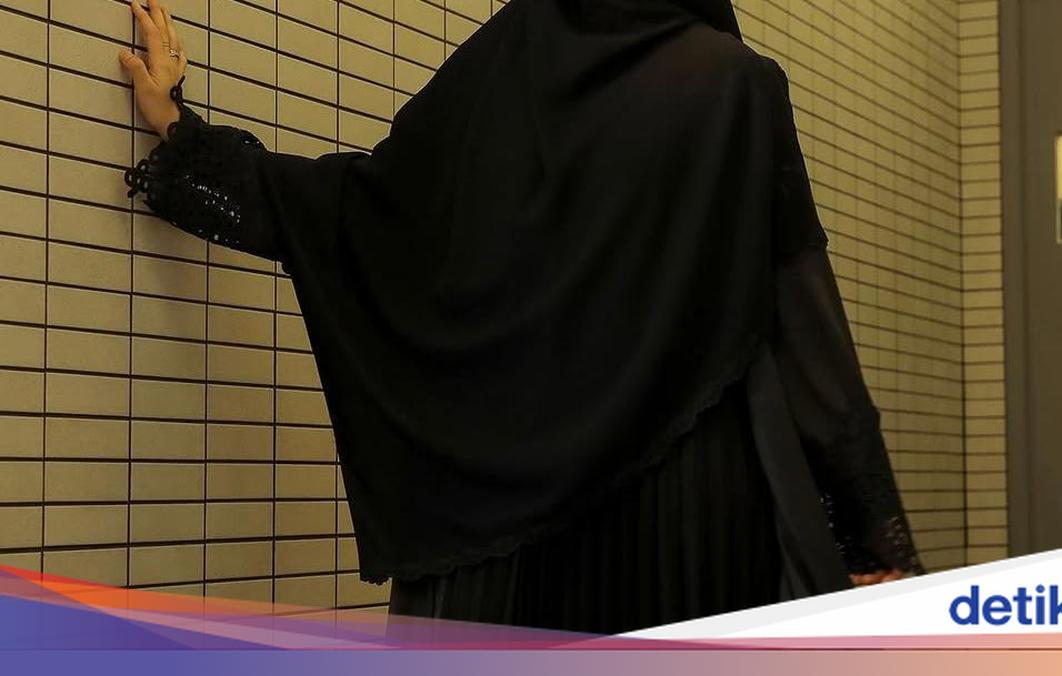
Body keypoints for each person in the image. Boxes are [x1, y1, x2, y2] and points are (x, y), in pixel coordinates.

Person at [118, 0, 925, 635]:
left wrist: (181, 134)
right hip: (684, 505)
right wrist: (871, 537)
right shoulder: (733, 86)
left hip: (511, 517)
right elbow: (805, 325)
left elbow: (364, 218)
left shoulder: (504, 69)